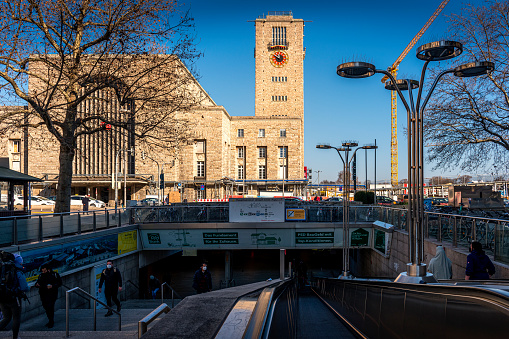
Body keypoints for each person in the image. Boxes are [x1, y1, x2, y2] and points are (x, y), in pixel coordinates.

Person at [0, 253, 29, 339]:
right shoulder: (18, 271)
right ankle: (15, 337)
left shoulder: (2, 270)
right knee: (16, 318)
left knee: (6, 317)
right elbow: (24, 287)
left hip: (1, 298)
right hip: (14, 299)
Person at [35, 263, 62, 328]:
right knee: (46, 307)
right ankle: (50, 320)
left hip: (52, 294)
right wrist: (37, 285)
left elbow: (59, 283)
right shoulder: (41, 275)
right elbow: (38, 283)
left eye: (45, 271)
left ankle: (51, 321)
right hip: (43, 294)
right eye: (42, 271)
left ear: (48, 270)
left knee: (50, 307)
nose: (43, 272)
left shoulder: (54, 275)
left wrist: (52, 286)